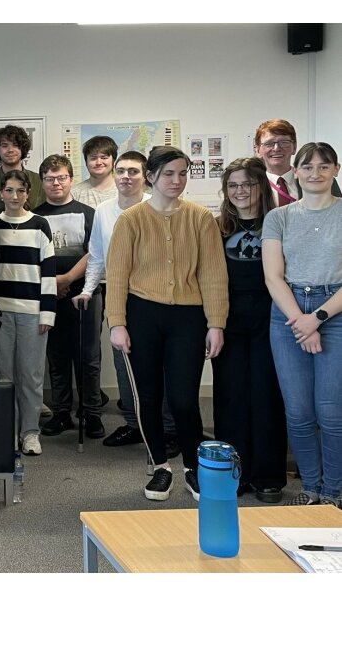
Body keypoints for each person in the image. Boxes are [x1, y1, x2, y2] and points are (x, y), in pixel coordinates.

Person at [107, 145, 228, 502]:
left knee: (184, 398)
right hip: (142, 314)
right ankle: (160, 467)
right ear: (151, 177)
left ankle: (193, 467)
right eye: (169, 174)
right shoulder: (130, 220)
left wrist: (215, 323)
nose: (177, 181)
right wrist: (117, 322)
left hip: (188, 318)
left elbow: (213, 275)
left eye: (182, 174)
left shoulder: (201, 218)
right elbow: (117, 275)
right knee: (148, 397)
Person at [75, 152, 178, 451]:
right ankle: (134, 423)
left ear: (145, 176)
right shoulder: (104, 211)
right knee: (124, 363)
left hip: (154, 297)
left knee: (158, 365)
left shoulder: (156, 206)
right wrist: (87, 289)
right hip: (118, 295)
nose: (125, 177)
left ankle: (168, 429)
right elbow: (96, 255)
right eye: (121, 171)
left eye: (133, 171)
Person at [263, 142, 342, 507]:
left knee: (331, 411)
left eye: (324, 167)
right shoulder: (279, 217)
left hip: (334, 312)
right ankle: (311, 487)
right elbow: (273, 277)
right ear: (296, 172)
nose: (315, 173)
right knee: (298, 411)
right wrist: (301, 321)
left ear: (336, 171)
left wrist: (318, 319)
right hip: (288, 312)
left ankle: (333, 491)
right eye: (307, 167)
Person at [213, 157, 285, 502]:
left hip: (271, 317)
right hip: (228, 318)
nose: (240, 191)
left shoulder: (280, 221)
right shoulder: (216, 227)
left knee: (267, 395)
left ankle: (268, 476)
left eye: (247, 184)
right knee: (230, 396)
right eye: (233, 185)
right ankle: (234, 473)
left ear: (261, 186)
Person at [33, 155, 102, 439]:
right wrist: (53, 284)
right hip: (49, 294)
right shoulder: (34, 216)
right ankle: (61, 412)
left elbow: (95, 251)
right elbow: (33, 258)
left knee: (88, 356)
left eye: (61, 177)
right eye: (49, 179)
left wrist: (67, 279)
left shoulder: (89, 212)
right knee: (56, 355)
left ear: (71, 179)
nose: (56, 183)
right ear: (43, 182)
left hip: (85, 292)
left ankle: (92, 413)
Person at [0, 170, 56, 456]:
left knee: (31, 375)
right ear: (1, 193)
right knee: (4, 377)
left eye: (20, 191)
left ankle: (30, 432)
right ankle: (7, 432)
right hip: (1, 313)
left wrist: (47, 314)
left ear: (28, 193)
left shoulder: (40, 225)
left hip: (33, 313)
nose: (15, 196)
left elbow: (49, 273)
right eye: (9, 190)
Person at [254, 119, 342, 204]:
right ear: (258, 150)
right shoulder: (251, 185)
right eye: (268, 144)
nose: (276, 148)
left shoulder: (321, 180)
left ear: (294, 147)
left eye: (284, 142)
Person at [0, 125, 45, 209]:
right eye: (5, 146)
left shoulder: (38, 181)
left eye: (15, 145)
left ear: (22, 148)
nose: (10, 150)